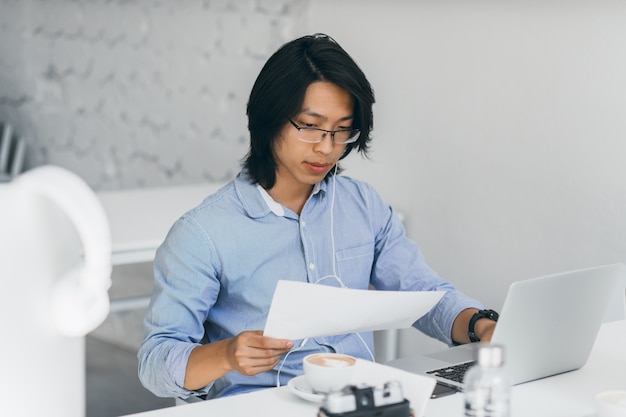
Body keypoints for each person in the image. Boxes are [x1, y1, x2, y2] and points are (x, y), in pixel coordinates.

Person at [137, 33, 497, 400]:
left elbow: (423, 292)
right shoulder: (202, 234)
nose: (327, 148)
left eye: (342, 131)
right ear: (269, 118)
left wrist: (481, 325)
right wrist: (226, 354)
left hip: (358, 404)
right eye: (310, 126)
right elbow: (155, 362)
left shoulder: (363, 206)